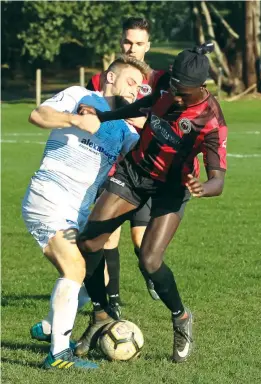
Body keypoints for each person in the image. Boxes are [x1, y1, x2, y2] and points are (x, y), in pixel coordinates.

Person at [74, 42, 228, 363]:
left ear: (202, 87)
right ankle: (101, 316)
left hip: (172, 188)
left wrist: (205, 188)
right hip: (134, 172)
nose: (175, 97)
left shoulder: (211, 121)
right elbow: (145, 104)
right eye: (173, 88)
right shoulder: (166, 83)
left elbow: (218, 178)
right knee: (89, 242)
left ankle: (181, 317)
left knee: (150, 261)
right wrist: (104, 115)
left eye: (183, 93)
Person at [22, 55, 149, 370]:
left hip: (78, 211)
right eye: (130, 82)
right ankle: (58, 355)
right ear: (110, 77)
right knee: (76, 268)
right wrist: (76, 120)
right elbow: (38, 114)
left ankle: (52, 326)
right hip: (49, 197)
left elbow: (143, 158)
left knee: (97, 277)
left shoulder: (122, 127)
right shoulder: (81, 96)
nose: (136, 90)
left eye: (140, 86)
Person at [87, 17, 165, 315]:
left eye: (139, 43)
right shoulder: (103, 79)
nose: (132, 48)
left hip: (146, 170)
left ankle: (151, 273)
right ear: (121, 42)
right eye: (127, 41)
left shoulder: (160, 84)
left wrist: (143, 123)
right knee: (108, 234)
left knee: (139, 238)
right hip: (112, 170)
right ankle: (113, 301)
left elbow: (168, 128)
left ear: (148, 46)